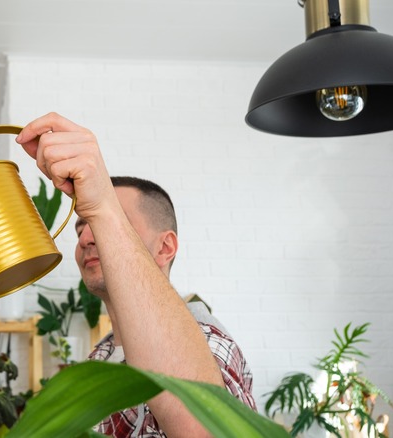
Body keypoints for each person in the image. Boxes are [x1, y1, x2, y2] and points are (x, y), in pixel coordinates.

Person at [15, 113, 256, 438]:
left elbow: (209, 432)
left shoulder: (208, 342)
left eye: (113, 223)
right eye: (81, 226)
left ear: (165, 247)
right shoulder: (99, 358)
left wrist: (103, 207)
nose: (86, 237)